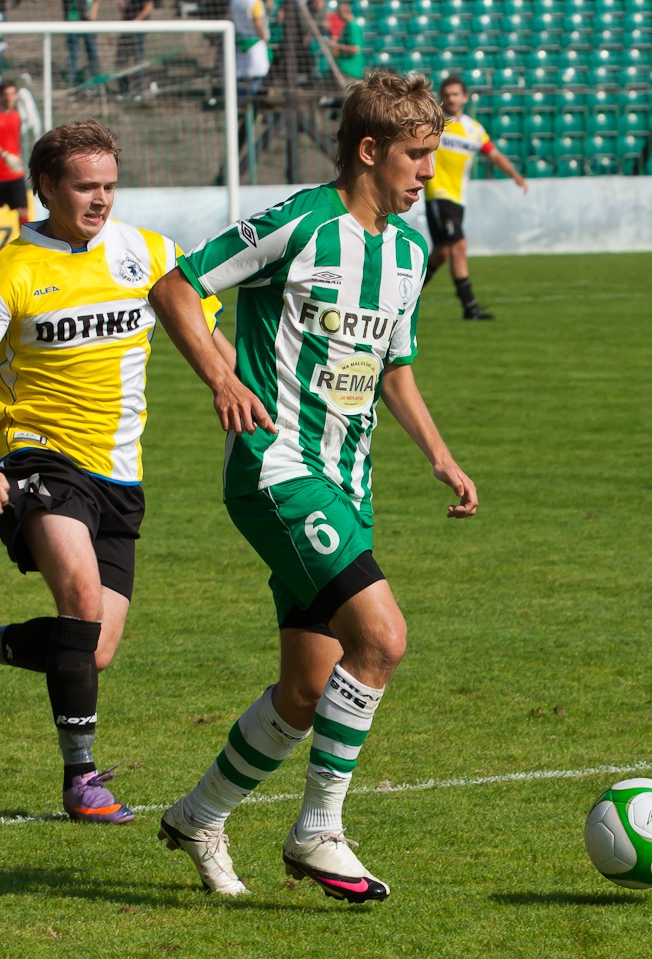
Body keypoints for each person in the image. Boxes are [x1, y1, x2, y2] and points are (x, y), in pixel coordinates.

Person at [149, 70, 478, 902]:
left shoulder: (408, 253)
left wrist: (439, 454)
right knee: (385, 638)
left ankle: (198, 814)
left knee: (305, 688)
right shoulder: (299, 223)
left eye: (432, 155)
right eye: (415, 155)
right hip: (277, 467)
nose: (427, 172)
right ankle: (317, 830)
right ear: (368, 150)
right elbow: (176, 287)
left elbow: (395, 367)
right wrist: (219, 376)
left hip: (347, 482)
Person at [0, 119, 223, 823]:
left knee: (91, 650)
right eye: (85, 186)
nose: (101, 199)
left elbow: (206, 330)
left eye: (110, 186)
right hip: (37, 454)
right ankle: (81, 779)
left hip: (119, 474)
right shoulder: (11, 266)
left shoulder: (150, 252)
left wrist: (237, 389)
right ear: (46, 189)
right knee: (82, 601)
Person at [423, 74, 528, 321]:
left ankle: (405, 295)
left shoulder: (474, 129)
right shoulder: (435, 123)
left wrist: (514, 174)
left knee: (442, 253)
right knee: (459, 245)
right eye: (447, 95)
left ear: (465, 98)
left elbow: (494, 155)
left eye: (455, 94)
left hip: (458, 198)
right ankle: (470, 307)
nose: (451, 98)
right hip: (438, 194)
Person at [0, 80, 29, 225]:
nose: (9, 97)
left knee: (23, 211)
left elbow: (14, 141)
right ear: (0, 96)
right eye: (6, 94)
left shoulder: (16, 116)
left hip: (14, 173)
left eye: (12, 94)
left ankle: (26, 245)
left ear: (16, 96)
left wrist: (16, 158)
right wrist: (5, 156)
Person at [230, 0, 270, 102]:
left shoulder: (234, 2)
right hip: (255, 45)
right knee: (254, 87)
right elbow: (258, 23)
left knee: (241, 86)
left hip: (240, 43)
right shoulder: (255, 3)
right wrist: (264, 37)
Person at [115, 0, 154, 100]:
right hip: (126, 26)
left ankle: (138, 91)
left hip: (138, 28)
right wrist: (121, 5)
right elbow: (124, 11)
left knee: (138, 58)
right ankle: (123, 90)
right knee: (121, 58)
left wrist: (136, 20)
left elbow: (149, 7)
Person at [63, 0, 101, 89]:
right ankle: (71, 84)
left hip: (88, 22)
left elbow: (96, 2)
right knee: (73, 53)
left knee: (92, 53)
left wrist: (93, 12)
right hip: (73, 20)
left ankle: (97, 83)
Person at [331, 1, 363, 81]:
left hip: (350, 71)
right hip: (346, 70)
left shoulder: (352, 26)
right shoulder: (348, 26)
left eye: (338, 12)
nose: (337, 15)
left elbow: (355, 49)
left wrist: (336, 45)